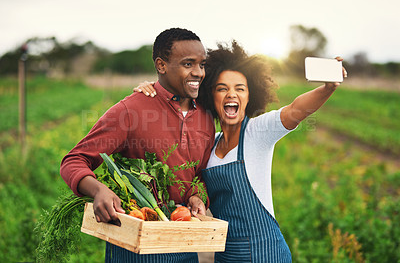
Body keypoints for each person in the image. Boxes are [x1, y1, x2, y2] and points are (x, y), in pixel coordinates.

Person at [135, 41, 347, 262]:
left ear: (250, 96)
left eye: (240, 88)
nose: (231, 94)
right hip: (225, 255)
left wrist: (327, 88)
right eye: (222, 88)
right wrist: (151, 91)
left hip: (267, 253)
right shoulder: (208, 144)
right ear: (210, 96)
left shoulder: (258, 133)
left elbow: (295, 109)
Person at [60, 28, 215, 263]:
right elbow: (74, 160)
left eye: (202, 64)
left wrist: (196, 196)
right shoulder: (130, 111)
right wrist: (98, 190)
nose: (198, 73)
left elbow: (198, 175)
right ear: (161, 66)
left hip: (185, 241)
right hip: (136, 241)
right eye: (188, 64)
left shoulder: (205, 117)